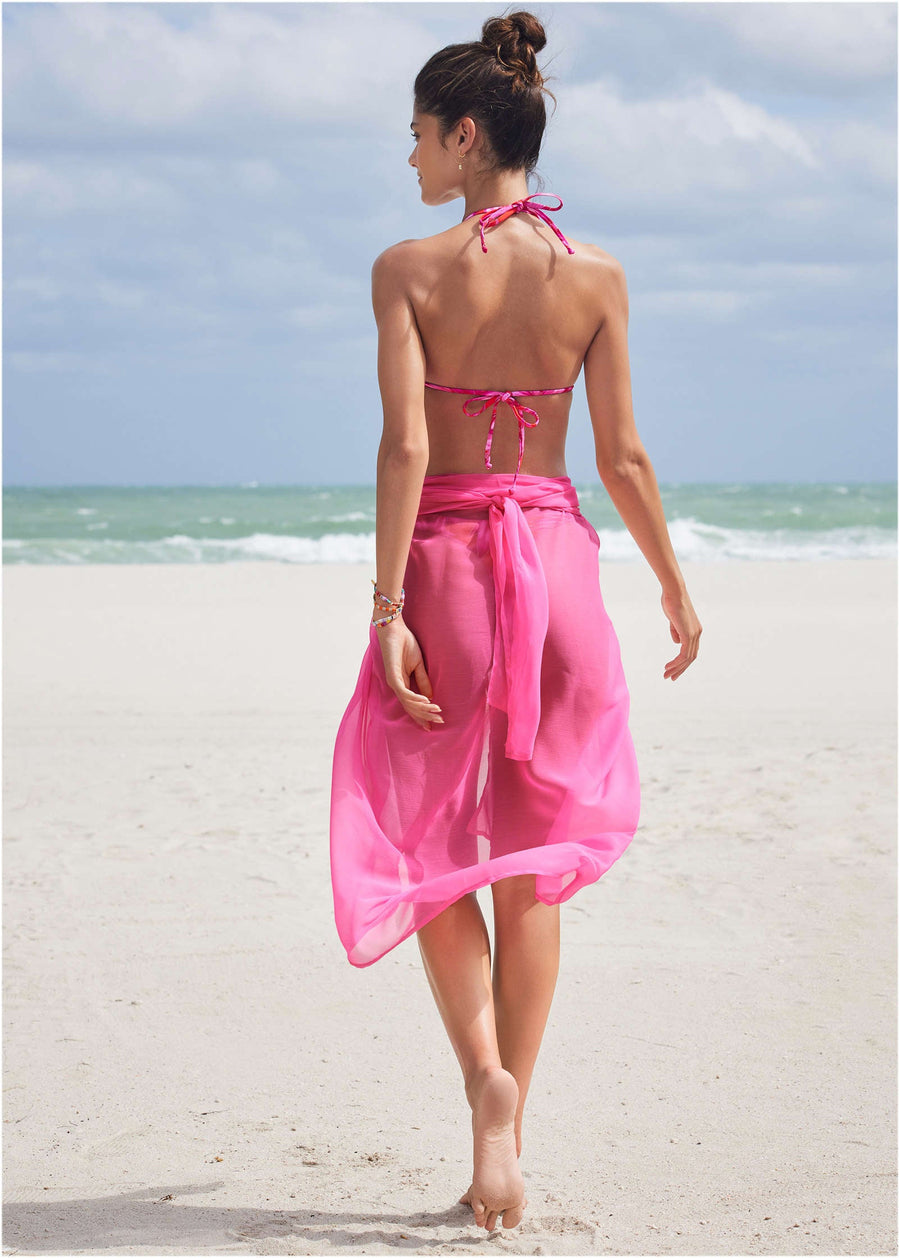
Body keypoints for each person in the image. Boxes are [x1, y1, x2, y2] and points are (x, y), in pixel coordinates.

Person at [329, 8, 702, 1234]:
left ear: (466, 133)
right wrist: (672, 583)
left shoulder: (407, 270)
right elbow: (625, 457)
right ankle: (514, 1124)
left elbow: (405, 447)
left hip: (448, 568)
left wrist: (388, 606)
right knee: (533, 868)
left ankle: (481, 1075)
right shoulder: (596, 276)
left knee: (429, 845)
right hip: (559, 571)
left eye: (419, 133)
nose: (410, 156)